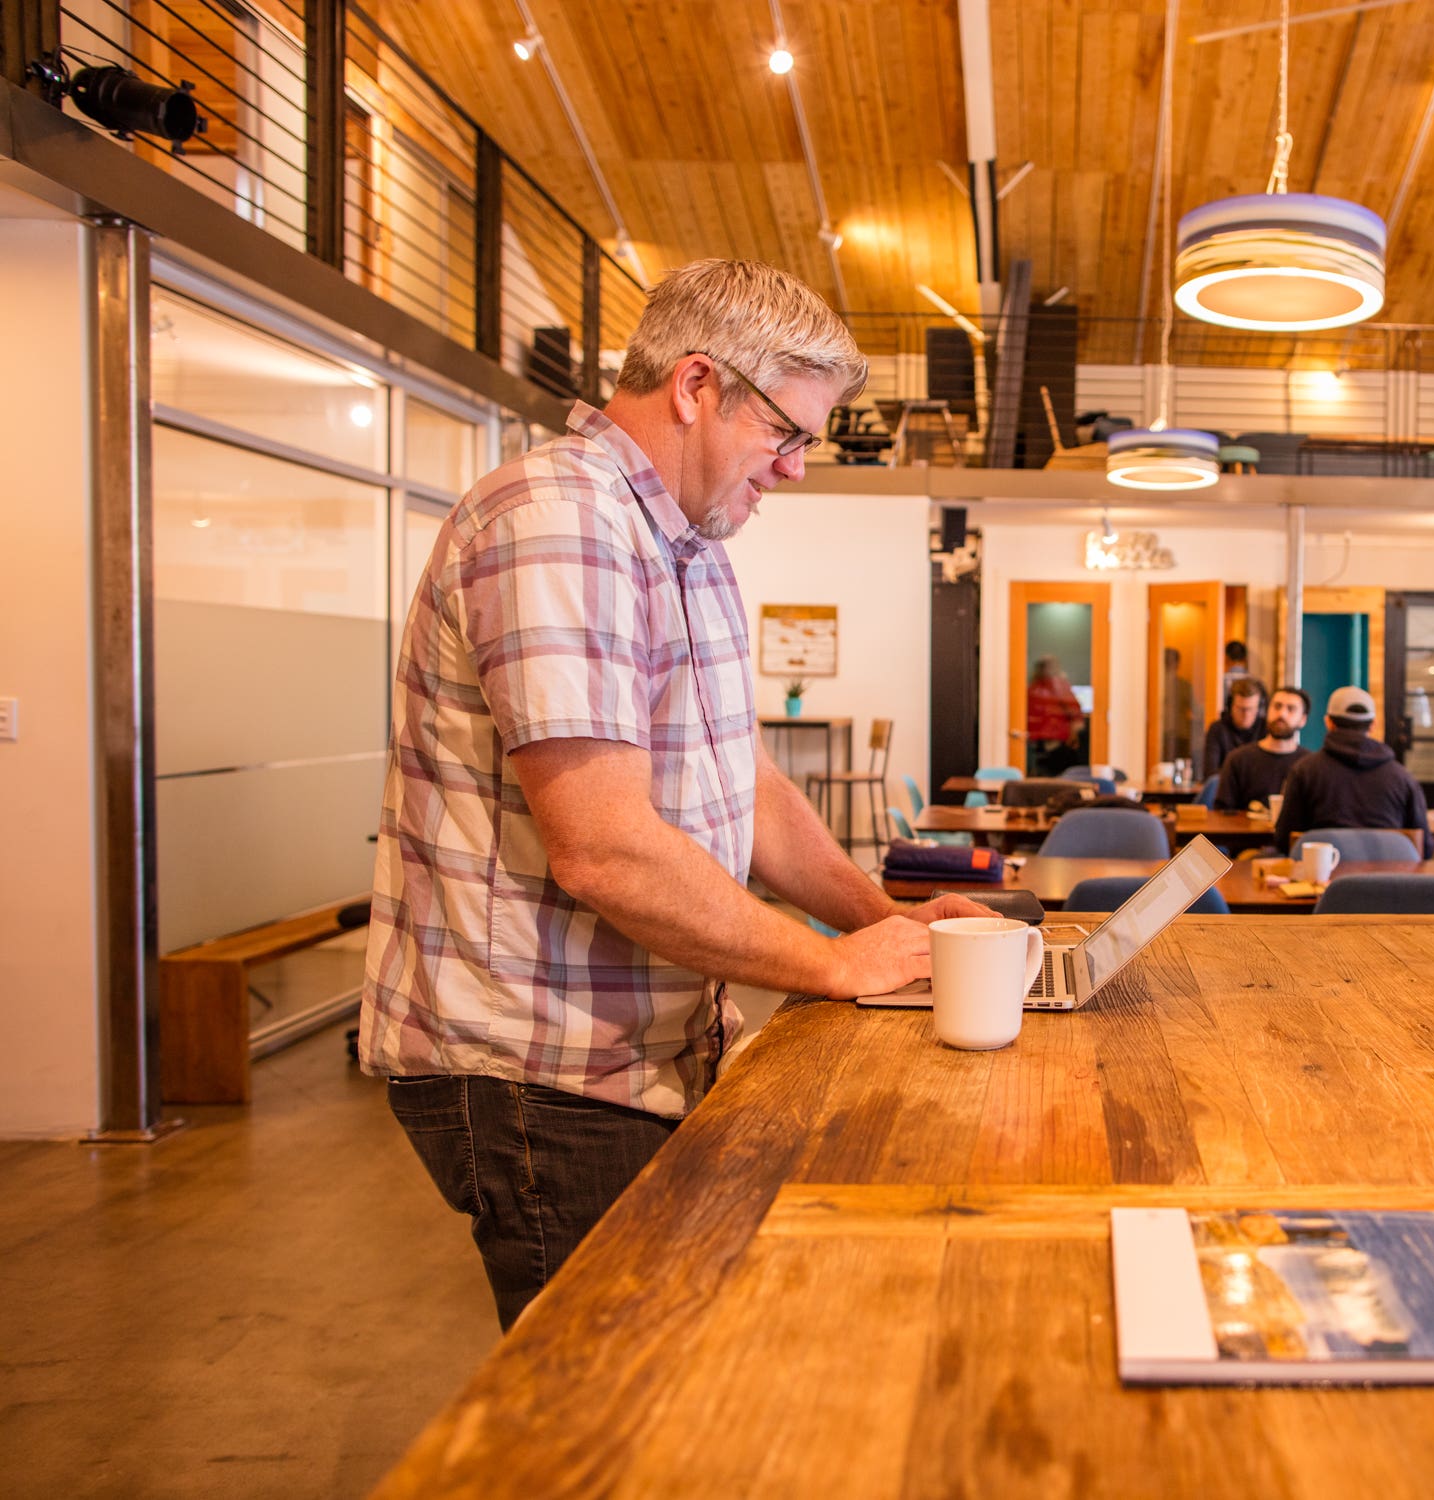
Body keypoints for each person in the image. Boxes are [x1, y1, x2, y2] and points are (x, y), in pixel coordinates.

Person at [358, 258, 993, 1331]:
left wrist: (881, 924)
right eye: (786, 433)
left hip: (638, 1052)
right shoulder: (559, 519)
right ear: (698, 385)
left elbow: (745, 783)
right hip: (545, 1070)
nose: (795, 470)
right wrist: (832, 965)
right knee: (612, 1394)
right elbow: (603, 848)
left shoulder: (686, 546)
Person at [1272, 686, 1432, 857]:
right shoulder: (1403, 777)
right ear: (1373, 725)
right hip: (1388, 873)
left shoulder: (1304, 771)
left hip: (1325, 873)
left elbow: (1284, 840)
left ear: (1328, 723)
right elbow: (1425, 847)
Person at [1211, 686, 1311, 811]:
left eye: (1291, 709)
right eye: (1277, 706)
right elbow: (1221, 813)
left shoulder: (1310, 766)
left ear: (1303, 719)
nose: (1281, 714)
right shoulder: (1238, 759)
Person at [1026, 655, 1086, 777]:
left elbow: (1074, 713)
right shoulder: (1056, 686)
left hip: (1045, 740)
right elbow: (1075, 714)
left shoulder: (1034, 687)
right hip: (1047, 740)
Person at [1201, 676, 1267, 780]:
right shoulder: (1217, 729)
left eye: (1251, 709)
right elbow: (1210, 773)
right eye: (1241, 709)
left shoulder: (1267, 729)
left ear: (1259, 708)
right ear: (1230, 706)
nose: (1246, 715)